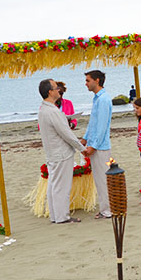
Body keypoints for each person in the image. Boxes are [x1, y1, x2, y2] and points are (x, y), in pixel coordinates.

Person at [37, 79, 85, 224]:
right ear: (50, 92)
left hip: (53, 152)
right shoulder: (52, 111)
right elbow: (66, 133)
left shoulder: (43, 109)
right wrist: (82, 149)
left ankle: (55, 216)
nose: (59, 90)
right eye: (56, 88)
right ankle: (62, 217)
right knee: (62, 187)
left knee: (54, 185)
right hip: (61, 153)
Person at [80, 70, 112, 219]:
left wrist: (94, 146)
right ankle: (104, 208)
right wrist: (85, 139)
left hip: (101, 147)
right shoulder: (97, 99)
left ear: (97, 80)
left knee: (103, 179)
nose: (86, 83)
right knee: (99, 180)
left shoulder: (104, 99)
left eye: (88, 80)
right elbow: (93, 123)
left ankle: (108, 210)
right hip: (94, 144)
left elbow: (102, 126)